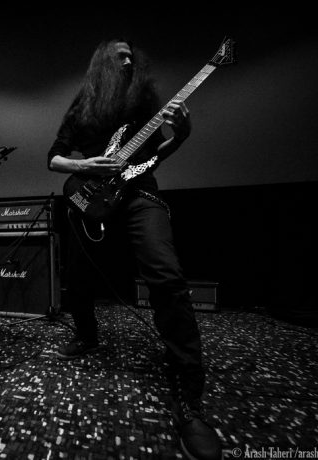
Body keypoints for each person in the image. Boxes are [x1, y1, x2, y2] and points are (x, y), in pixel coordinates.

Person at [47, 39, 222, 459]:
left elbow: (158, 153)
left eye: (131, 56)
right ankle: (86, 336)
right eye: (119, 55)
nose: (128, 60)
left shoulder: (143, 100)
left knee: (166, 275)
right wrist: (84, 165)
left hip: (140, 191)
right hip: (92, 195)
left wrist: (180, 137)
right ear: (103, 63)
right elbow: (54, 158)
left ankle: (189, 396)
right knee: (77, 275)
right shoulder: (83, 104)